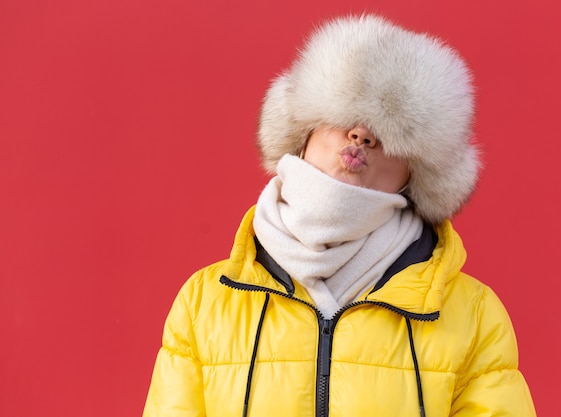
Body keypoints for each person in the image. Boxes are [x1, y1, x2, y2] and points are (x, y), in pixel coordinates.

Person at [143, 14, 536, 417]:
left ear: (416, 171)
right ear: (302, 131)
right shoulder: (206, 302)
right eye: (342, 112)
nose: (362, 135)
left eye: (390, 130)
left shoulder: (472, 314)